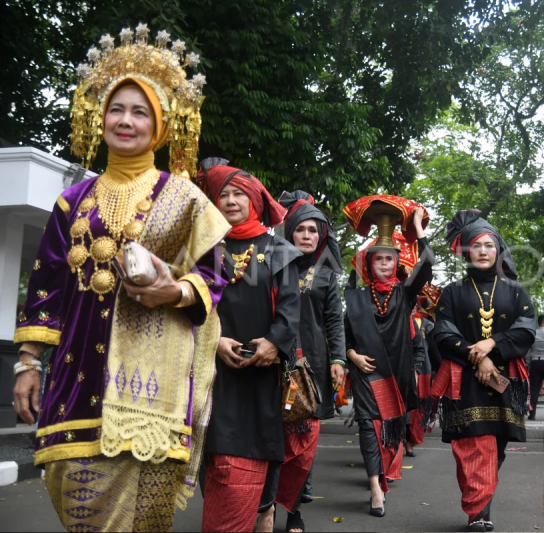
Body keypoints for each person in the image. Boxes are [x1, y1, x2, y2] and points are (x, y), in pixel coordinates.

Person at [12, 27, 229, 532]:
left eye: (140, 112)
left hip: (153, 390)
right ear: (99, 117)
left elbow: (214, 273)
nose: (125, 120)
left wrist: (173, 290)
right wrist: (26, 362)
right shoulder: (73, 201)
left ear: (160, 125)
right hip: (74, 375)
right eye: (116, 108)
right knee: (79, 512)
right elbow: (46, 286)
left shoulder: (183, 196)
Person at [195, 159, 301, 533]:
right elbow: (194, 304)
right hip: (214, 371)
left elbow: (291, 308)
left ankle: (259, 511)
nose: (230, 200)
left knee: (259, 448)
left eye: (239, 194)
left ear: (255, 201)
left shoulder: (279, 249)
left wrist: (274, 343)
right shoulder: (205, 248)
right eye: (223, 194)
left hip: (262, 373)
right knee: (217, 453)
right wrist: (214, 340)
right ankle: (228, 518)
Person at [432, 210, 537, 532]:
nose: (482, 252)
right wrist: (478, 356)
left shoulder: (516, 291)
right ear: (467, 252)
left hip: (507, 381)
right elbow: (443, 334)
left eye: (489, 246)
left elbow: (526, 330)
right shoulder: (452, 292)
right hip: (465, 379)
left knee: (497, 446)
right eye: (476, 246)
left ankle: (481, 505)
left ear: (498, 251)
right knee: (472, 445)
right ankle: (478, 512)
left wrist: (492, 345)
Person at [257, 190, 347, 533]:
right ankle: (267, 507)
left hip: (313, 370)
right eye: (301, 230)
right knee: (276, 441)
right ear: (289, 231)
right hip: (274, 365)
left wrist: (339, 358)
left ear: (320, 236)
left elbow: (335, 321)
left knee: (304, 444)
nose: (307, 236)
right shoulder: (270, 267)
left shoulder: (325, 275)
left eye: (313, 231)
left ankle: (293, 509)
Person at [344, 206, 432, 518]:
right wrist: (352, 356)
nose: (383, 264)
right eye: (377, 259)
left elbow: (428, 264)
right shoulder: (354, 298)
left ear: (396, 262)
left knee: (390, 433)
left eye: (389, 259)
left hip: (398, 376)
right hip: (367, 375)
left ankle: (383, 478)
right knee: (368, 428)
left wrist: (418, 227)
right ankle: (375, 489)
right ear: (368, 264)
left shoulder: (405, 294)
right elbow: (346, 338)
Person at [405, 311, 432, 457]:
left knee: (416, 410)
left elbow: (431, 349)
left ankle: (410, 442)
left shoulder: (427, 325)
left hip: (420, 370)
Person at [527, 315, 544, 420]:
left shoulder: (533, 334)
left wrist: (529, 363)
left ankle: (532, 414)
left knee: (534, 389)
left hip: (535, 363)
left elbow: (529, 351)